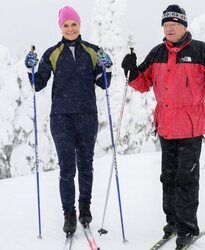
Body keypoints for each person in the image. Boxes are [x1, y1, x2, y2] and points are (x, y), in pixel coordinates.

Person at [121, 4, 205, 250]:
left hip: (191, 129)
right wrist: (130, 71)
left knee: (186, 180)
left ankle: (187, 228)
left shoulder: (201, 51)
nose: (169, 28)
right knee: (168, 178)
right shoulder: (157, 53)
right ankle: (172, 223)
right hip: (166, 128)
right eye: (166, 25)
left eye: (174, 24)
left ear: (184, 26)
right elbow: (142, 84)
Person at [25, 6, 112, 236]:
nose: (70, 28)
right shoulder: (52, 53)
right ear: (60, 27)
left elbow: (103, 83)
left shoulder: (92, 51)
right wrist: (31, 68)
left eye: (74, 24)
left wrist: (107, 67)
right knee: (66, 168)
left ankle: (85, 207)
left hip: (87, 116)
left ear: (79, 25)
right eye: (66, 25)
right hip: (61, 118)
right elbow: (38, 83)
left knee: (86, 164)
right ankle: (68, 214)